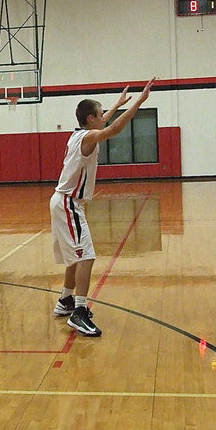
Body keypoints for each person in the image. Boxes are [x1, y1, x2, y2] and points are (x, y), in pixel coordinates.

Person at [50, 78, 156, 336]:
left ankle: (65, 299)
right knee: (86, 255)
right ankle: (79, 311)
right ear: (90, 119)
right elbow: (114, 129)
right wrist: (139, 103)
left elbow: (105, 122)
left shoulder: (79, 134)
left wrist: (118, 104)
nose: (104, 118)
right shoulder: (89, 137)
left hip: (63, 201)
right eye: (100, 115)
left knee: (76, 255)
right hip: (68, 203)